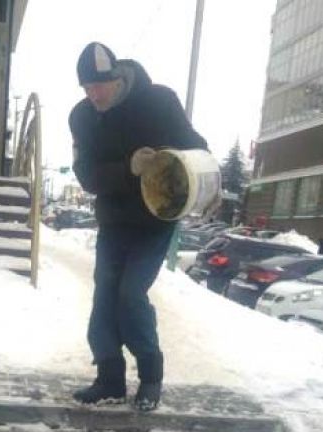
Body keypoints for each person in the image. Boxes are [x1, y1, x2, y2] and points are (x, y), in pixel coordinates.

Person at [68, 42, 208, 412]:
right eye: (86, 88)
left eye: (99, 86)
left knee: (131, 293)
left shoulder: (159, 102)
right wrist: (127, 168)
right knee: (105, 295)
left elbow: (197, 148)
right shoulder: (82, 117)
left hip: (156, 218)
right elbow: (86, 176)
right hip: (114, 220)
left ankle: (150, 378)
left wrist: (205, 183)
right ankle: (110, 380)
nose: (93, 94)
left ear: (117, 78)